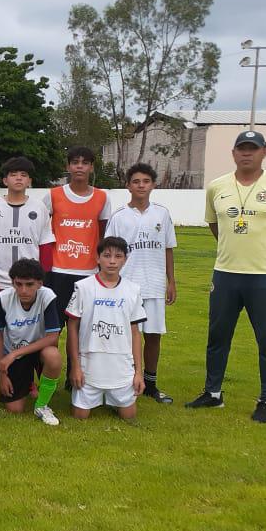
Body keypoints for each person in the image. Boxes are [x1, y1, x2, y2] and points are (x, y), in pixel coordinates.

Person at [186, 130, 266, 423]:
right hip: (226, 274)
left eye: (253, 148)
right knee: (218, 337)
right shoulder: (217, 187)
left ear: (265, 150)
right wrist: (230, 249)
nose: (246, 153)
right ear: (233, 152)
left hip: (265, 276)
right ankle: (213, 394)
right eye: (241, 148)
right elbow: (215, 225)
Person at [0, 156, 54, 383]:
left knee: (29, 331)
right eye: (13, 174)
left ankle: (29, 379)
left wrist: (43, 280)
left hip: (28, 284)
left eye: (23, 175)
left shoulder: (39, 208)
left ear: (30, 180)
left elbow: (45, 244)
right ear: (5, 180)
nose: (18, 178)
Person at [105, 163, 177, 403]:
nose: (141, 185)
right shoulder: (119, 217)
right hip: (127, 286)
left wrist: (171, 281)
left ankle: (151, 384)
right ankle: (127, 380)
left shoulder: (162, 213)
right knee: (126, 336)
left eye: (146, 181)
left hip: (154, 285)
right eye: (136, 181)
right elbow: (109, 252)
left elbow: (168, 248)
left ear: (153, 185)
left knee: (154, 335)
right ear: (128, 185)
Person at [65, 237, 145, 421]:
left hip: (121, 363)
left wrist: (138, 372)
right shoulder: (83, 287)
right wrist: (76, 367)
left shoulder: (133, 290)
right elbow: (72, 326)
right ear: (97, 258)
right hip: (90, 361)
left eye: (118, 256)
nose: (112, 261)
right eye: (107, 255)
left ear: (125, 259)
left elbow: (135, 332)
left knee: (129, 417)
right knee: (80, 416)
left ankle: (114, 399)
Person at [0, 258, 62, 425]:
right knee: (14, 409)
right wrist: (2, 374)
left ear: (39, 284)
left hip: (37, 350)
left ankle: (42, 405)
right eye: (18, 284)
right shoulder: (3, 298)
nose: (23, 290)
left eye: (29, 285)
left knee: (54, 356)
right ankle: (28, 383)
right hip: (14, 353)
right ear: (12, 283)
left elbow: (53, 336)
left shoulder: (48, 296)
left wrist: (14, 354)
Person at [44, 146, 111, 322]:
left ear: (92, 167)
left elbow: (103, 236)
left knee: (82, 329)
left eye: (85, 163)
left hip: (88, 272)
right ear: (68, 167)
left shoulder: (102, 197)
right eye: (75, 162)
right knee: (53, 327)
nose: (80, 167)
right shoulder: (53, 195)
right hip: (58, 270)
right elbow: (41, 232)